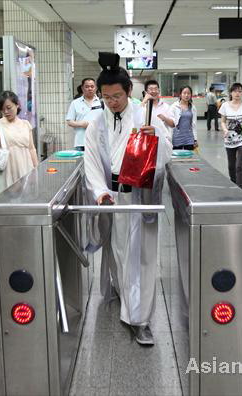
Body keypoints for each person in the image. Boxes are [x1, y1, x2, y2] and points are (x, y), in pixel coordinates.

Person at [84, 52, 171, 346]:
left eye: (117, 96)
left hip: (140, 196)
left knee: (142, 258)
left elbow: (166, 156)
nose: (112, 102)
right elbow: (92, 161)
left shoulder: (147, 118)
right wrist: (100, 192)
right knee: (120, 252)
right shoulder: (97, 123)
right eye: (106, 97)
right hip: (113, 197)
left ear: (129, 91)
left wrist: (155, 141)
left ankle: (140, 319)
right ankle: (125, 299)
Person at [0, 91, 39, 193]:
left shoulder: (26, 124)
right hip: (7, 169)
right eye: (2, 109)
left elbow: (31, 148)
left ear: (17, 105)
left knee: (27, 199)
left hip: (26, 167)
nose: (5, 111)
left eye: (9, 107)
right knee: (8, 200)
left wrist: (36, 170)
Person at [219, 83, 242, 189]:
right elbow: (223, 121)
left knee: (239, 165)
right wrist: (224, 130)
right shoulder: (225, 105)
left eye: (240, 91)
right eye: (235, 91)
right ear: (231, 93)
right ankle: (233, 183)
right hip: (229, 139)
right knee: (231, 166)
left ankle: (240, 188)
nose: (237, 93)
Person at [66, 78, 104, 151]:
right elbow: (69, 121)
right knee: (81, 162)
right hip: (81, 142)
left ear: (96, 88)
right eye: (87, 87)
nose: (90, 89)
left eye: (92, 86)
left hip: (99, 142)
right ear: (82, 88)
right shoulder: (75, 103)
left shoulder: (102, 102)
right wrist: (81, 124)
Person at [169, 86, 198, 150]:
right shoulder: (174, 107)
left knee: (189, 158)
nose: (186, 95)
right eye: (184, 93)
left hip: (189, 138)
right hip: (177, 137)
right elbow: (171, 124)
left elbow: (194, 124)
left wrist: (195, 139)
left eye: (188, 93)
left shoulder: (193, 107)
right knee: (176, 158)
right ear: (180, 94)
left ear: (191, 95)